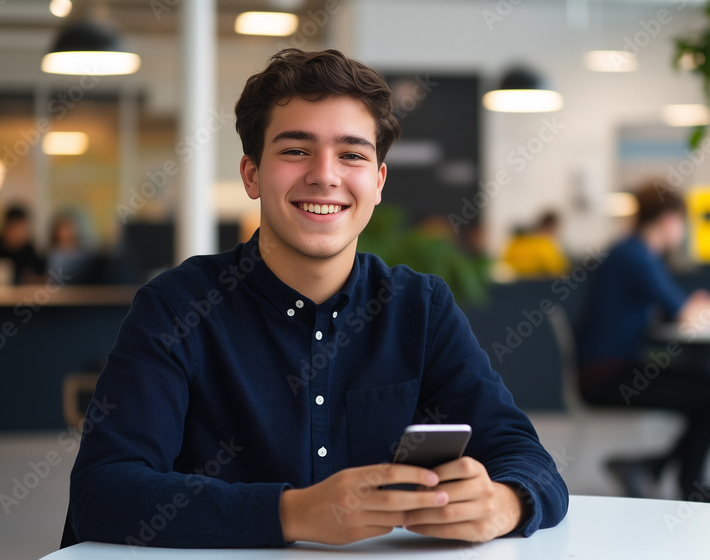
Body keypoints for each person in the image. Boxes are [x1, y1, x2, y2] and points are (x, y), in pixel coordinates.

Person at [64, 49, 567, 549]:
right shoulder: (176, 307)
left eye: (352, 154)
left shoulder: (421, 307)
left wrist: (505, 502)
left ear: (377, 182)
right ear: (252, 174)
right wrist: (292, 513)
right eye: (295, 150)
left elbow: (524, 455)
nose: (325, 175)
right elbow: (103, 491)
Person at [574, 182, 710, 501]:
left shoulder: (630, 252)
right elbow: (684, 313)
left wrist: (696, 308)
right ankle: (687, 484)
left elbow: (675, 310)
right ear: (667, 219)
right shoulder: (636, 256)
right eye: (683, 222)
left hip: (609, 369)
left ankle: (656, 468)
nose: (684, 230)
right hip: (607, 377)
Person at [0, 205, 45, 284]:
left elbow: (41, 275)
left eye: (21, 229)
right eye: (14, 228)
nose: (17, 234)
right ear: (5, 227)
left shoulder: (29, 250)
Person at [501, 211, 569, 277]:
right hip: (538, 284)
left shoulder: (516, 241)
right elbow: (556, 268)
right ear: (549, 226)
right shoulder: (543, 244)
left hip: (515, 283)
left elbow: (505, 262)